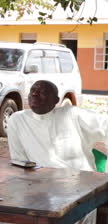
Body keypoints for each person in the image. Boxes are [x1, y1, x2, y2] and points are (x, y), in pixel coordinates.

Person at [8, 80, 108, 224]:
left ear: (56, 100)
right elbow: (19, 161)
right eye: (32, 91)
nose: (35, 94)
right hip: (41, 187)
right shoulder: (17, 120)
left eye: (42, 92)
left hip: (80, 187)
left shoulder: (72, 114)